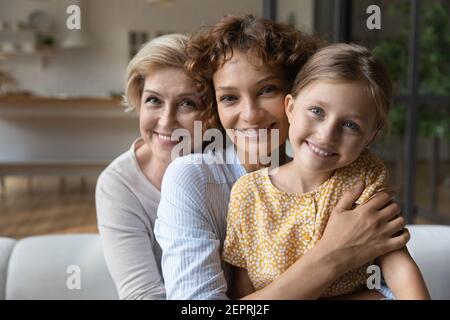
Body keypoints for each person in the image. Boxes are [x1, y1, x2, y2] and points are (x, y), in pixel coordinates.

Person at [154, 15, 409, 300]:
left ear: (294, 96)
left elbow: (388, 288)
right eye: (229, 98)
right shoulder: (192, 178)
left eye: (267, 90)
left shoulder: (351, 175)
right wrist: (333, 254)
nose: (250, 114)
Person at [222, 43, 430, 300]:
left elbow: (396, 261)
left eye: (350, 124)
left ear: (371, 136)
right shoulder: (248, 193)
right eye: (317, 111)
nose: (326, 135)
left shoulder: (364, 175)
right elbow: (244, 294)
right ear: (290, 108)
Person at [95, 34, 210, 299]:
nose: (166, 121)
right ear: (138, 100)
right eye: (154, 100)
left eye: (187, 103)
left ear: (211, 114)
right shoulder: (118, 184)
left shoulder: (230, 165)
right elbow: (142, 295)